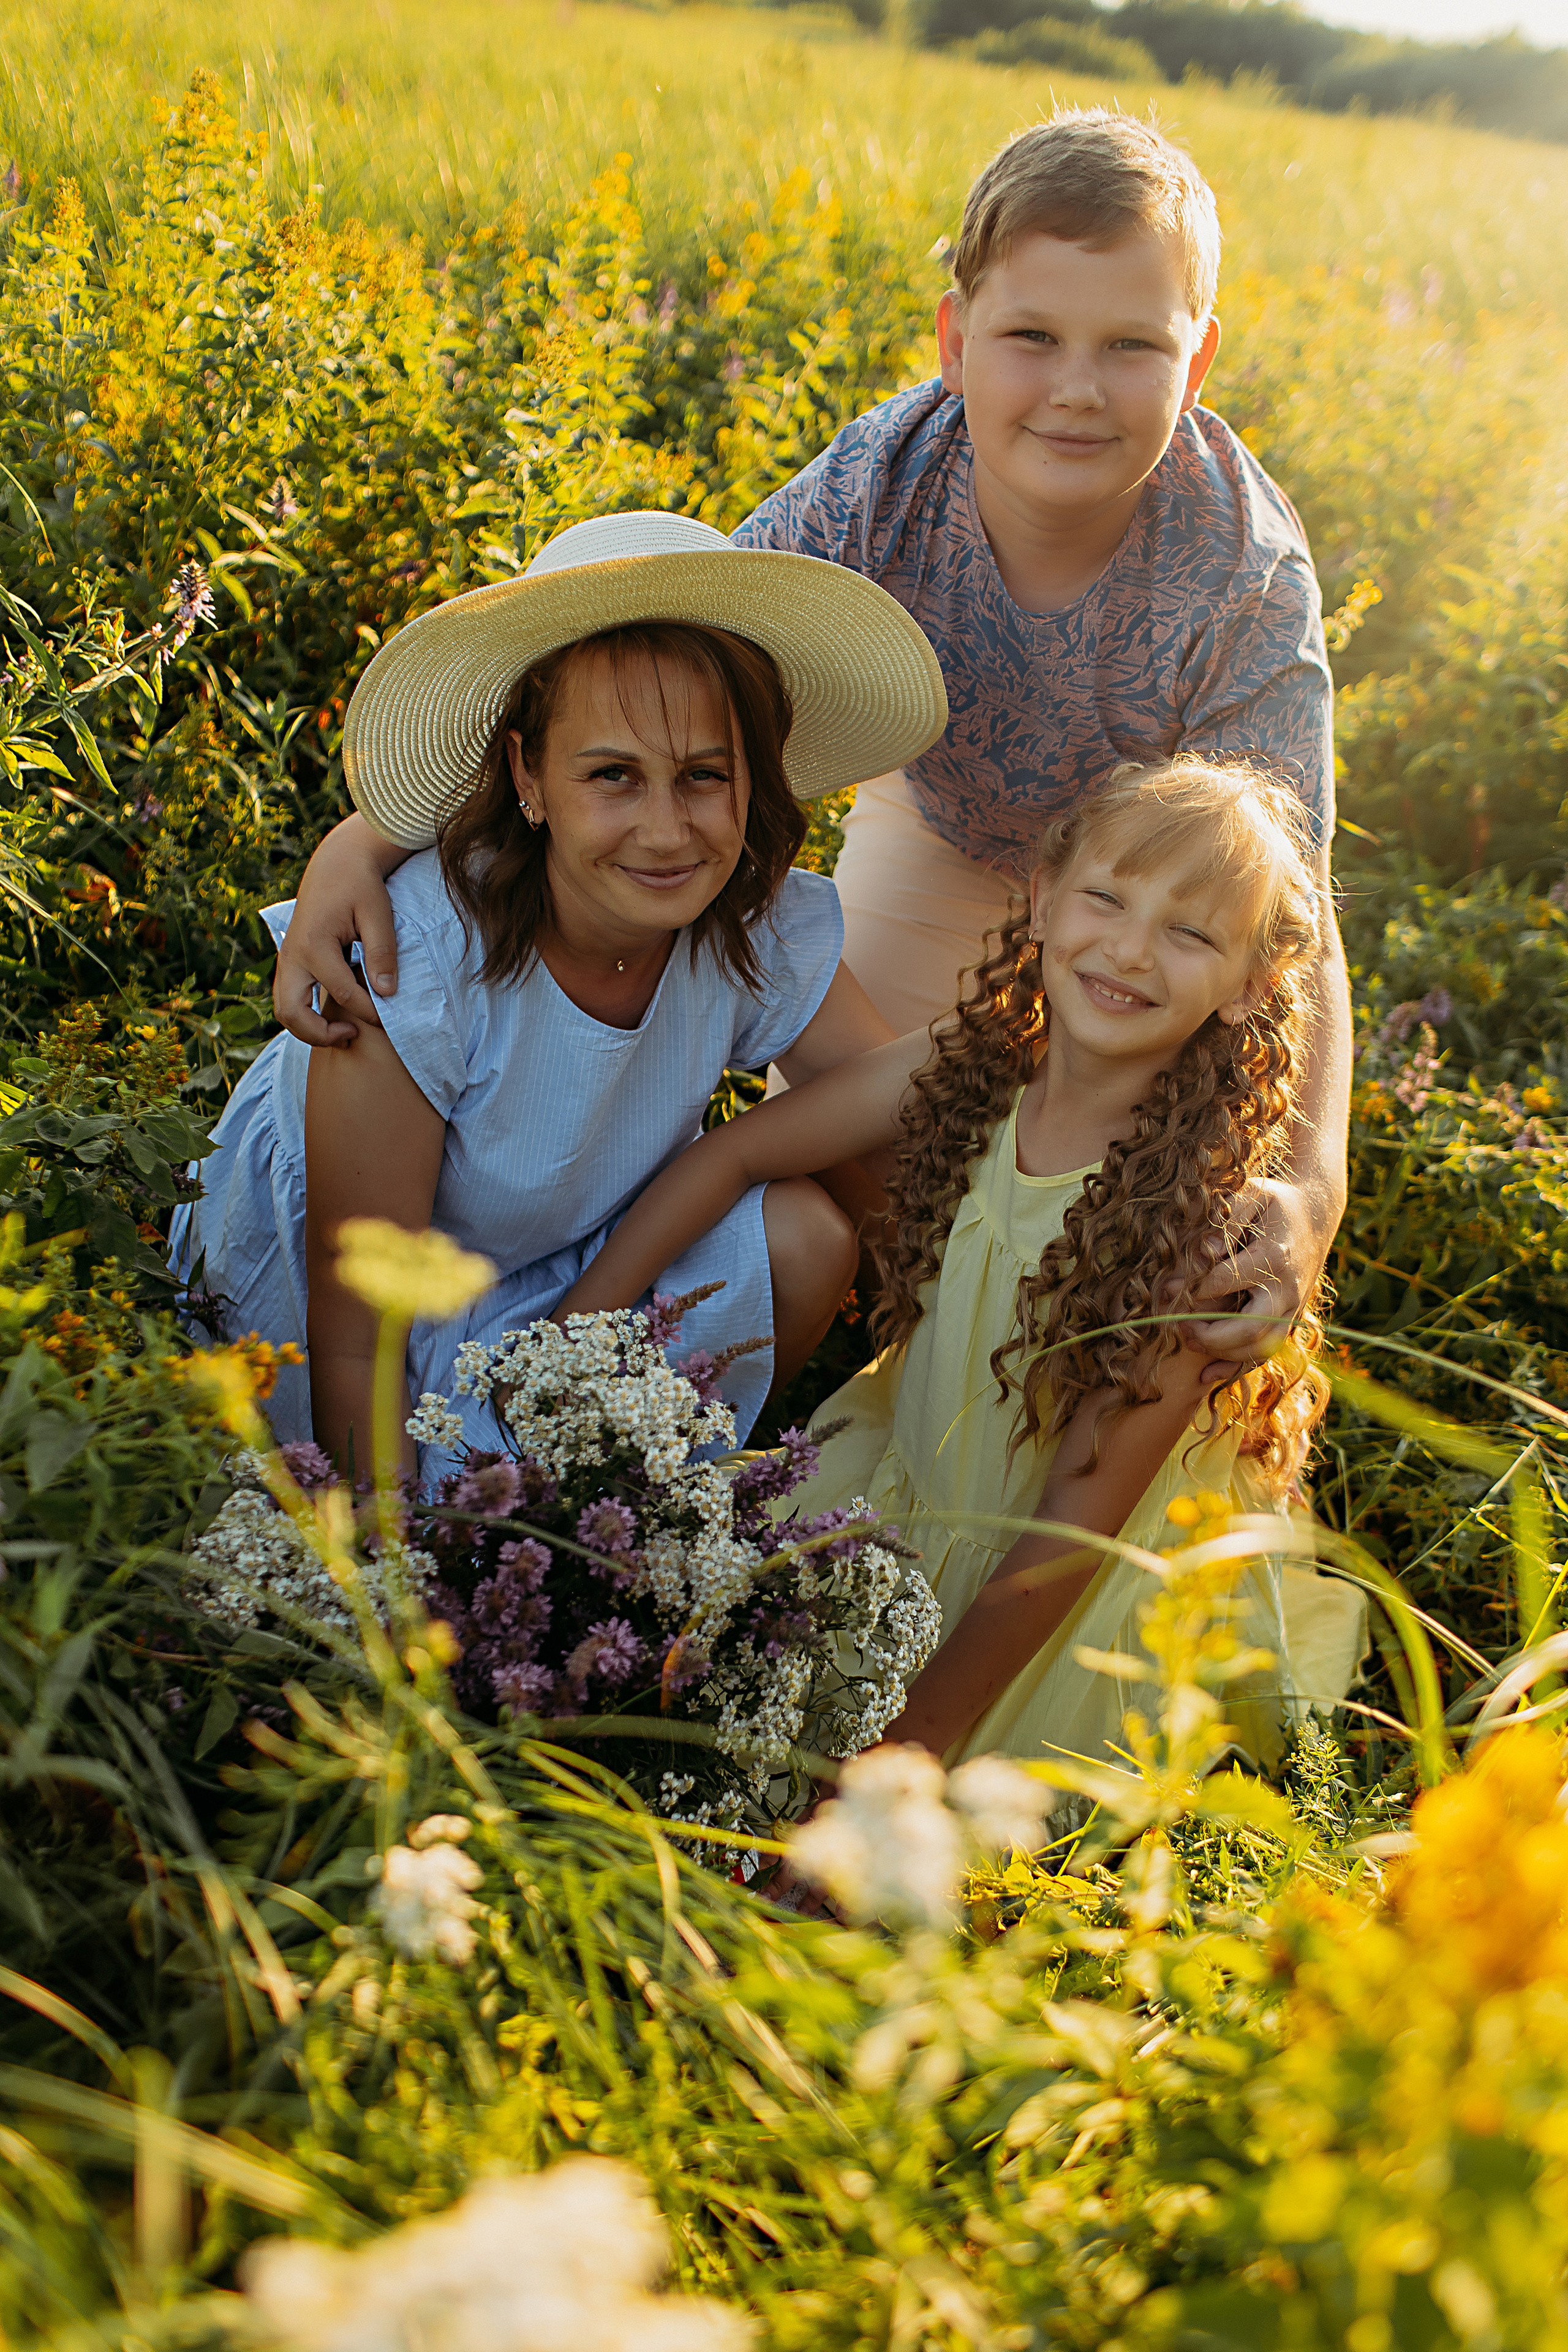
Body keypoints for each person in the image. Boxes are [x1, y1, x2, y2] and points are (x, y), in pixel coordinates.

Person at [267, 110, 1349, 1382]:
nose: (1073, 388)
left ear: (1198, 360)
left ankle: (1079, 1410)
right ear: (954, 341)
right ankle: (924, 1368)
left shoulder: (1243, 573)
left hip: (1168, 895)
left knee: (1159, 1222)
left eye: (1131, 347)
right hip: (945, 832)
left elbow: (1287, 910)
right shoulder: (879, 486)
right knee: (893, 1160)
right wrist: (367, 833)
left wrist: (1308, 1186)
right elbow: (657, 671)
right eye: (1029, 337)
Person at [551, 759, 1367, 1772]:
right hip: (913, 1486)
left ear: (1250, 986)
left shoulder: (1195, 1236)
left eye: (1190, 932)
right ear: (1042, 898)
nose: (1128, 949)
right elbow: (738, 1152)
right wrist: (571, 1335)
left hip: (1056, 1597)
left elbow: (1066, 1544)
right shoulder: (979, 1066)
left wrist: (899, 1763)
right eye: (1106, 899)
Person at [170, 511, 947, 1469]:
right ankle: (492, 1524)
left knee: (806, 1236)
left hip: (566, 1265)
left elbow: (914, 1123)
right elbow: (352, 1335)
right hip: (337, 1301)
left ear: (758, 775)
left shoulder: (752, 921)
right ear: (526, 773)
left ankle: (653, 1498)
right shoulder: (418, 952)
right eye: (613, 776)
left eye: (705, 775)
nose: (666, 833)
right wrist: (384, 1576)